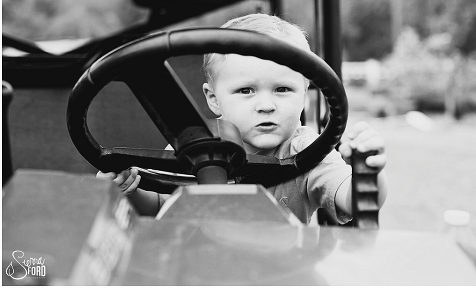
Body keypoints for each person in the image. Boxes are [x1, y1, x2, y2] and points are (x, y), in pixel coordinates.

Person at [97, 14, 389, 224]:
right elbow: (159, 209)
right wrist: (130, 189)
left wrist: (367, 171)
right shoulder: (191, 146)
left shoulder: (308, 152)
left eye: (283, 89)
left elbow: (355, 200)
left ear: (305, 93)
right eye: (246, 90)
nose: (266, 105)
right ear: (213, 98)